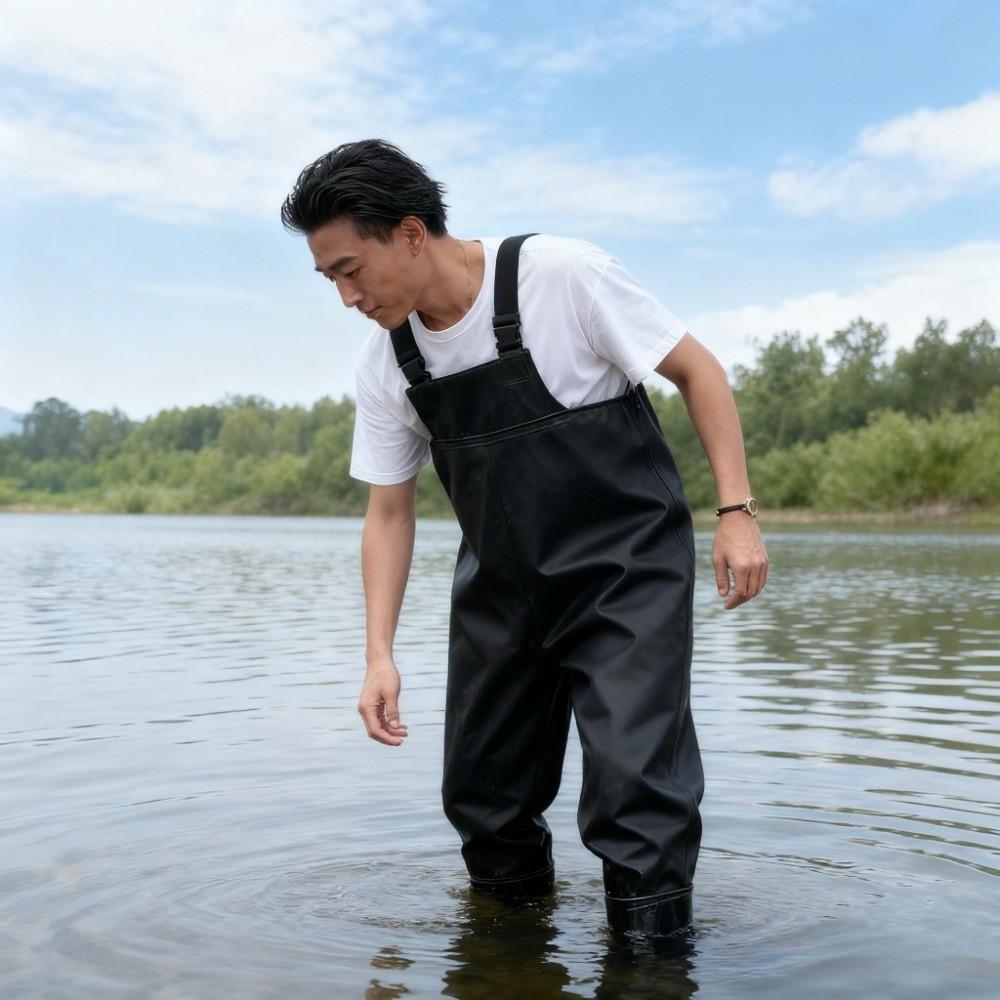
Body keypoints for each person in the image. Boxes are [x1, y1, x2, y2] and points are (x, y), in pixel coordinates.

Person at [281, 139, 768, 941]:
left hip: (624, 576)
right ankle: (506, 960)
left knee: (634, 795)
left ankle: (650, 962)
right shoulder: (387, 363)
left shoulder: (562, 276)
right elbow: (389, 514)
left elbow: (698, 371)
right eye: (329, 277)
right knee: (483, 797)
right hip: (501, 591)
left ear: (409, 232)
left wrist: (736, 511)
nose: (345, 296)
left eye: (348, 269)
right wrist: (378, 653)